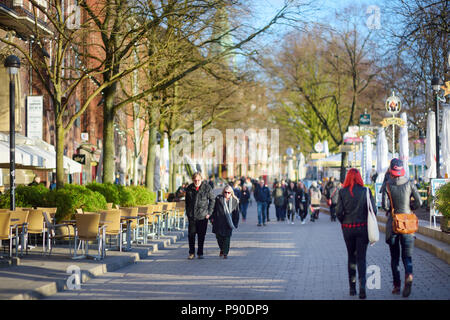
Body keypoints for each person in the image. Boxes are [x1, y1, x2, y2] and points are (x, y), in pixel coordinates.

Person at [382, 158, 422, 297]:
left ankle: (396, 286)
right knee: (407, 257)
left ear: (391, 170)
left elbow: (385, 206)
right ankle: (409, 275)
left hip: (393, 224)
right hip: (408, 225)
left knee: (394, 258)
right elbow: (419, 201)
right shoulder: (410, 183)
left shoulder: (387, 185)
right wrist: (410, 208)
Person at [336, 168, 376, 299]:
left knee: (351, 257)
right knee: (361, 258)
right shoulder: (366, 191)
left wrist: (344, 221)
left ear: (347, 177)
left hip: (348, 228)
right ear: (359, 178)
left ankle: (352, 288)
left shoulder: (342, 192)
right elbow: (373, 211)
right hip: (362, 228)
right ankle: (363, 286)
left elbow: (338, 212)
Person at [185, 172, 215, 260]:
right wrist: (188, 213)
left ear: (201, 179)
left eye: (198, 180)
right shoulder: (189, 188)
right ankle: (191, 252)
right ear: (192, 180)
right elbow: (187, 202)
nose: (197, 181)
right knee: (191, 235)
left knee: (201, 236)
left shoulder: (207, 188)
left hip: (203, 216)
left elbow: (212, 200)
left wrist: (209, 213)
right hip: (192, 216)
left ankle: (200, 253)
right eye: (195, 180)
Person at [210, 185, 240, 259]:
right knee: (219, 237)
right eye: (225, 192)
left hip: (228, 222)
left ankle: (225, 253)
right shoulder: (218, 198)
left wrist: (235, 223)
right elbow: (213, 209)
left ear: (231, 193)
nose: (227, 194)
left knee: (227, 238)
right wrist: (211, 218)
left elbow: (236, 213)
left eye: (228, 192)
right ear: (223, 192)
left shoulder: (235, 201)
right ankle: (222, 249)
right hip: (218, 222)